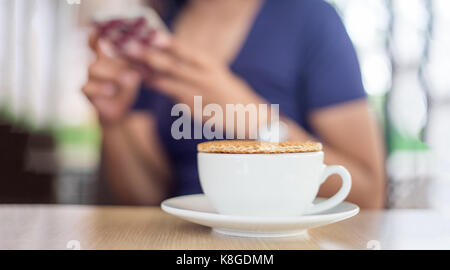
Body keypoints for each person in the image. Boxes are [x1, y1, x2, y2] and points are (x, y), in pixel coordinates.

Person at [82, 0, 386, 208]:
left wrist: (258, 123)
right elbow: (147, 199)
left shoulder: (310, 19)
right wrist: (113, 122)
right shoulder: (156, 36)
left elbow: (368, 193)